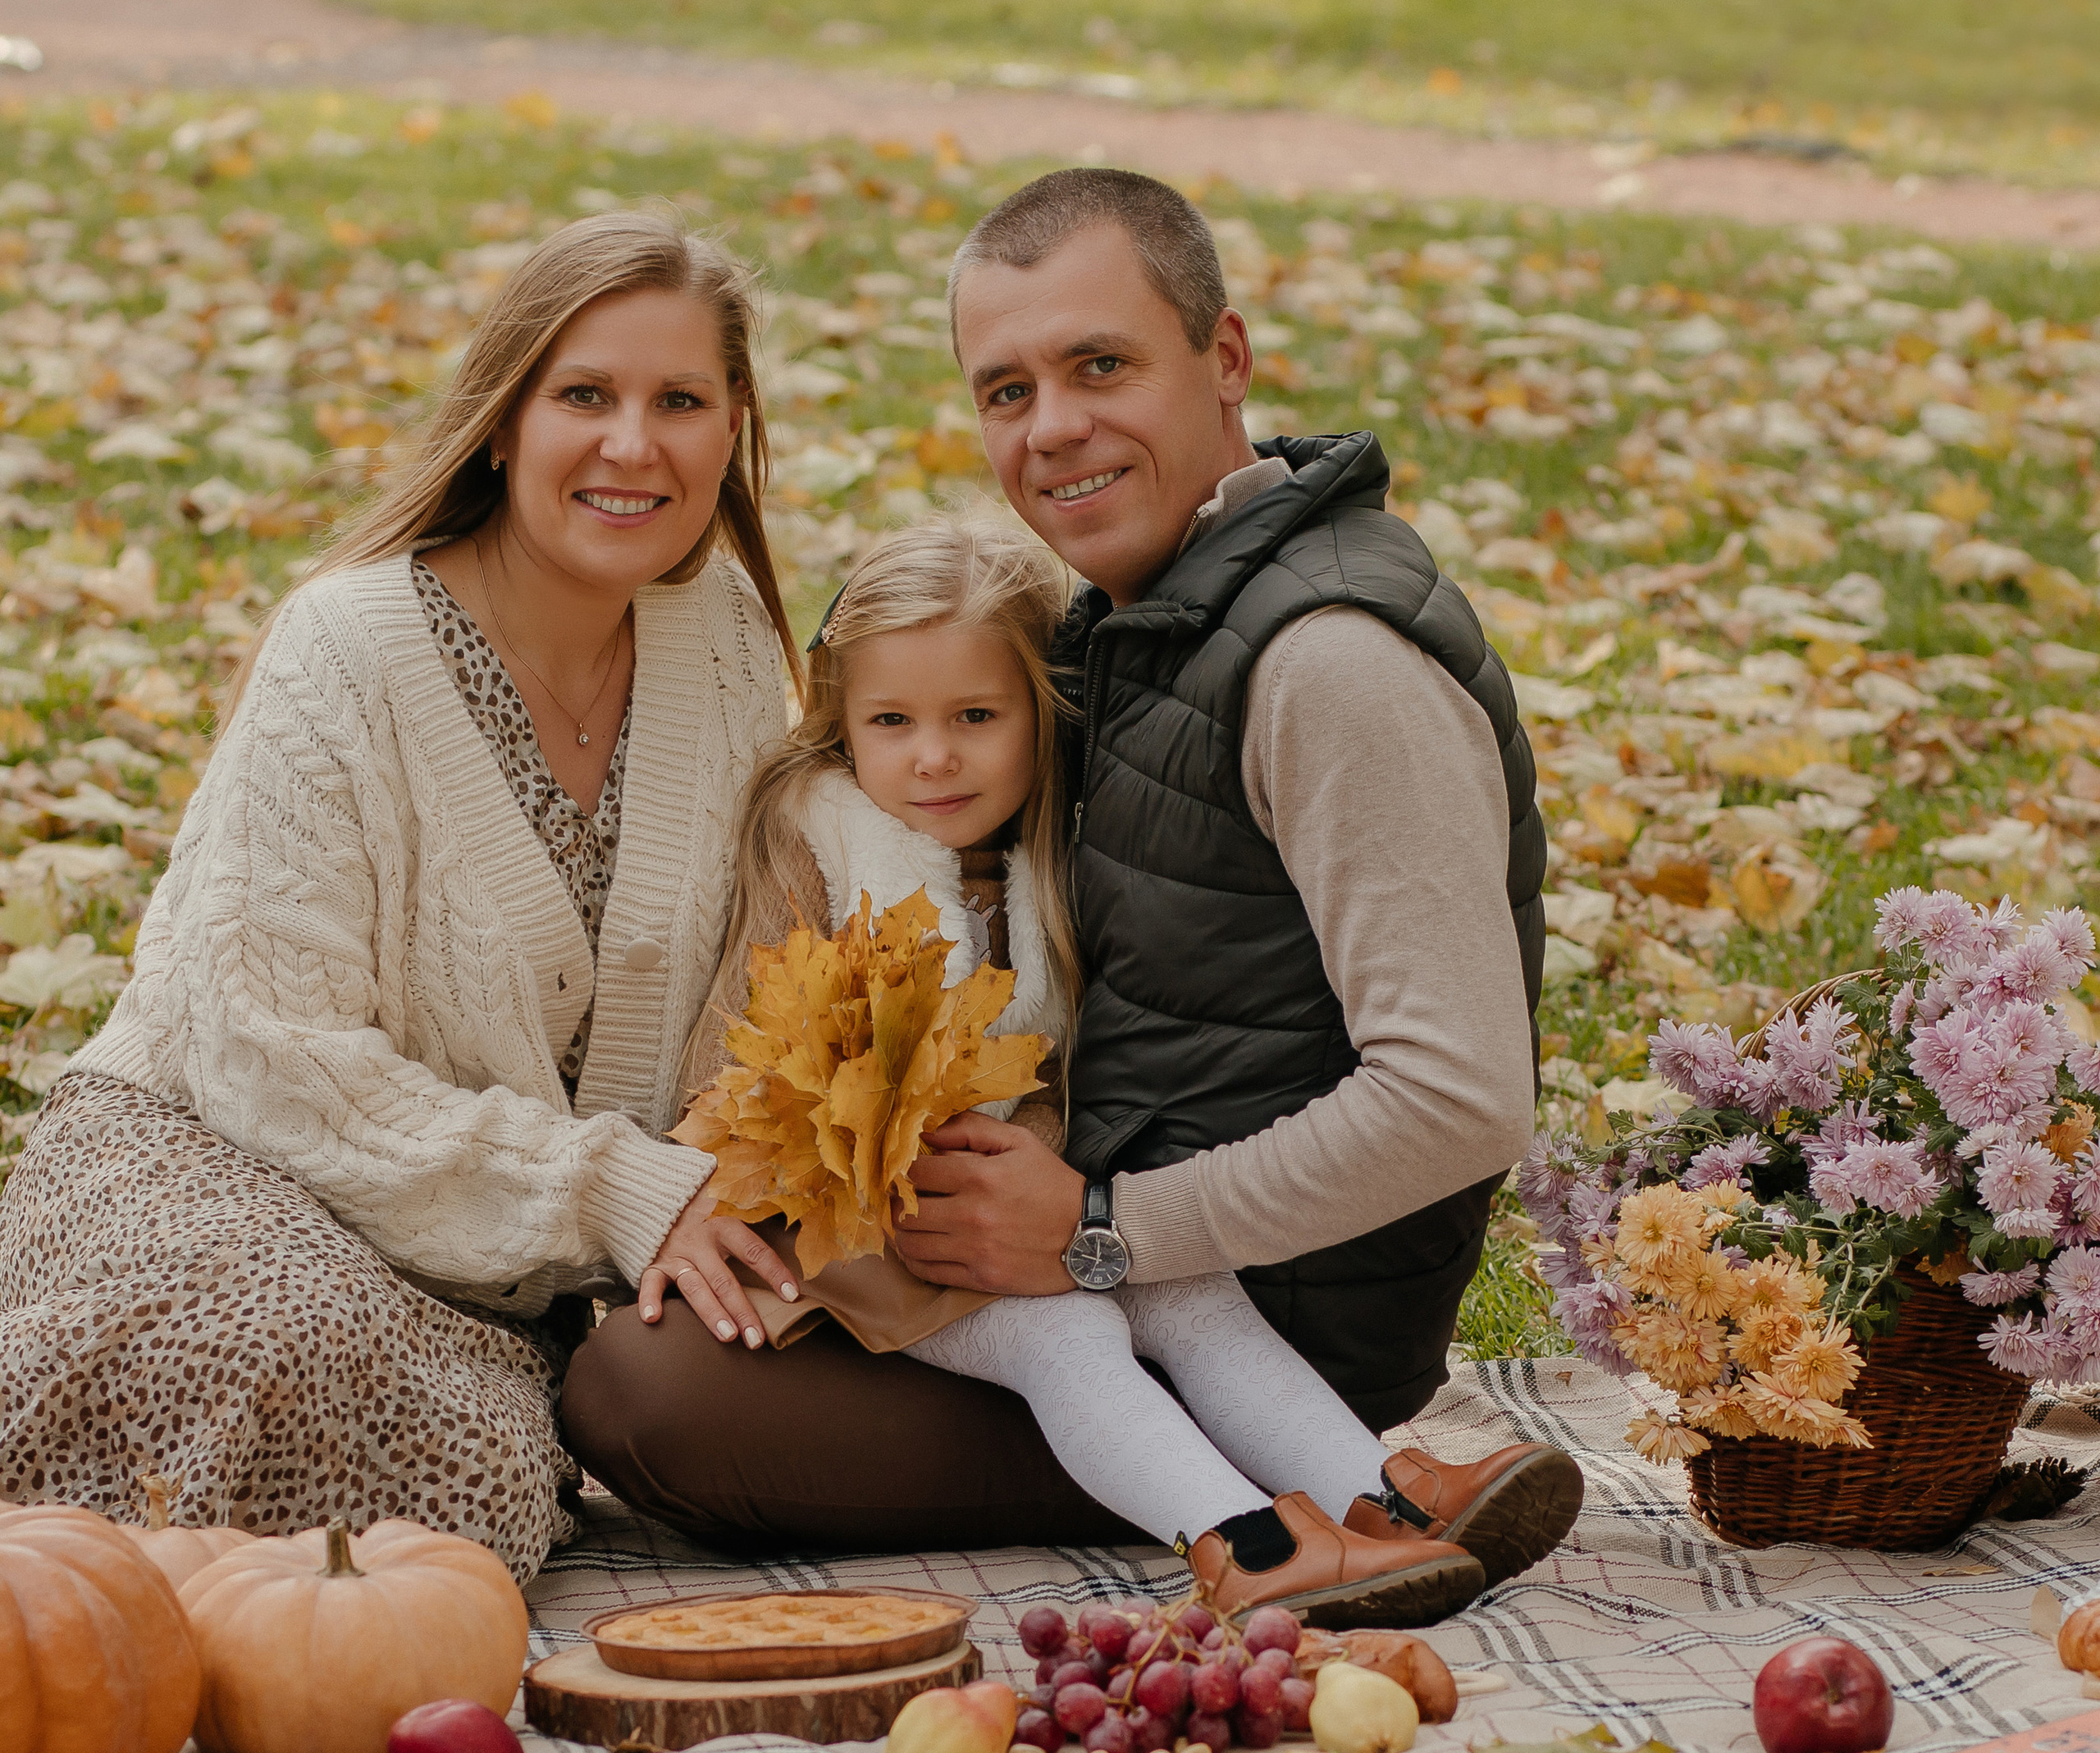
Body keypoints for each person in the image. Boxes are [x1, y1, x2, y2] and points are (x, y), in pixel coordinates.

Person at [565, 171, 1579, 1600]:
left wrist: (1099, 1235)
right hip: (1086, 1218)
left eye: (1100, 365)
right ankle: (1370, 1494)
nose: (1051, 429)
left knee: (642, 1400)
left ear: (1224, 359)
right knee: (672, 1351)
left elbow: (1464, 1100)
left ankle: (1281, 1515)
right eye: (1005, 390)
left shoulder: (1329, 663)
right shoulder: (1129, 626)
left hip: (1248, 1282)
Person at [0, 211, 806, 1581]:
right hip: (217, 1152)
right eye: (585, 396)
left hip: (496, 1268)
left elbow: (760, 974)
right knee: (261, 1350)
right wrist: (610, 1183)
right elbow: (268, 1052)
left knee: (472, 1468)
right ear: (502, 422)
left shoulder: (725, 643)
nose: (635, 445)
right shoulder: (350, 647)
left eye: (681, 400)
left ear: (733, 430)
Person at [654, 510, 1486, 1624]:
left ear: (1039, 715)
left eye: (976, 717)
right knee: (1072, 1330)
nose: (934, 756)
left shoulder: (1049, 852)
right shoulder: (818, 840)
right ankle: (1244, 1545)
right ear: (838, 723)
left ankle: (1386, 1503)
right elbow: (741, 1060)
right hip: (861, 1225)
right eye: (891, 720)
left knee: (1193, 1292)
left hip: (1013, 1195)